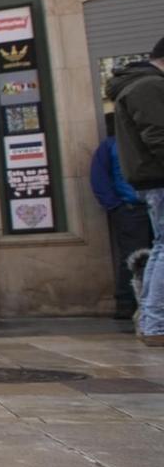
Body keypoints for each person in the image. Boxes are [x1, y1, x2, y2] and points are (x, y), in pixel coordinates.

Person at [108, 39, 164, 346]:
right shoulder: (148, 86)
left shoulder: (139, 84)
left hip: (149, 181)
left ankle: (153, 321)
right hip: (156, 179)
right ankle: (155, 322)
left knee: (159, 249)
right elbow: (158, 134)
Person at [93, 120, 152, 327]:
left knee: (141, 257)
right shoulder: (111, 145)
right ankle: (127, 303)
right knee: (131, 257)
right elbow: (99, 178)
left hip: (144, 205)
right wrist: (116, 206)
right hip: (130, 208)